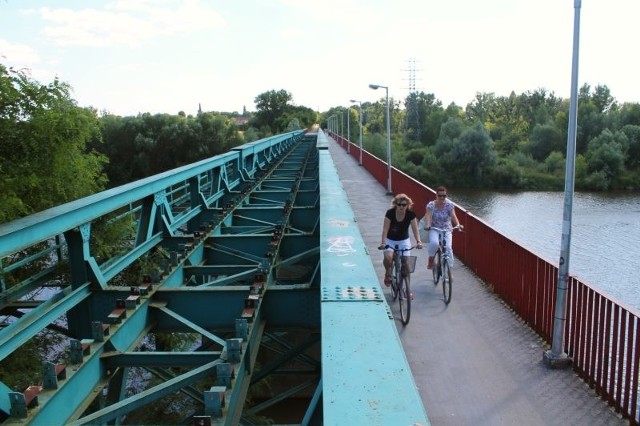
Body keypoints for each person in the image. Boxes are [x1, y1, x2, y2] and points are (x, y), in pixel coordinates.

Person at [378, 193, 423, 286]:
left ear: (407, 205)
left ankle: (408, 290)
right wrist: (383, 243)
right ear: (395, 205)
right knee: (388, 257)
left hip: (403, 240)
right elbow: (385, 229)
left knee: (406, 264)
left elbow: (415, 230)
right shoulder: (390, 213)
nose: (401, 207)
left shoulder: (411, 214)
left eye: (404, 205)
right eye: (399, 205)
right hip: (390, 240)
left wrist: (418, 241)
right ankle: (388, 272)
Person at [422, 186, 463, 269]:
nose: (442, 198)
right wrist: (428, 225)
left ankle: (450, 267)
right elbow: (428, 216)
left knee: (448, 247)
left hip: (447, 229)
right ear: (436, 195)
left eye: (444, 196)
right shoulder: (431, 205)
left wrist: (458, 225)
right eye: (440, 195)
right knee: (434, 243)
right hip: (435, 228)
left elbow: (453, 216)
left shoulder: (449, 205)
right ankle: (431, 258)